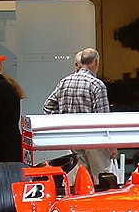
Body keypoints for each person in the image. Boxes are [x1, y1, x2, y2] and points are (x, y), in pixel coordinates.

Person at [42, 48, 113, 177]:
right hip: (94, 139)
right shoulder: (97, 85)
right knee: (101, 178)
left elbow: (47, 107)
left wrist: (62, 121)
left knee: (80, 178)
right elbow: (103, 118)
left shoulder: (65, 82)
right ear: (96, 62)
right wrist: (112, 144)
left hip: (72, 137)